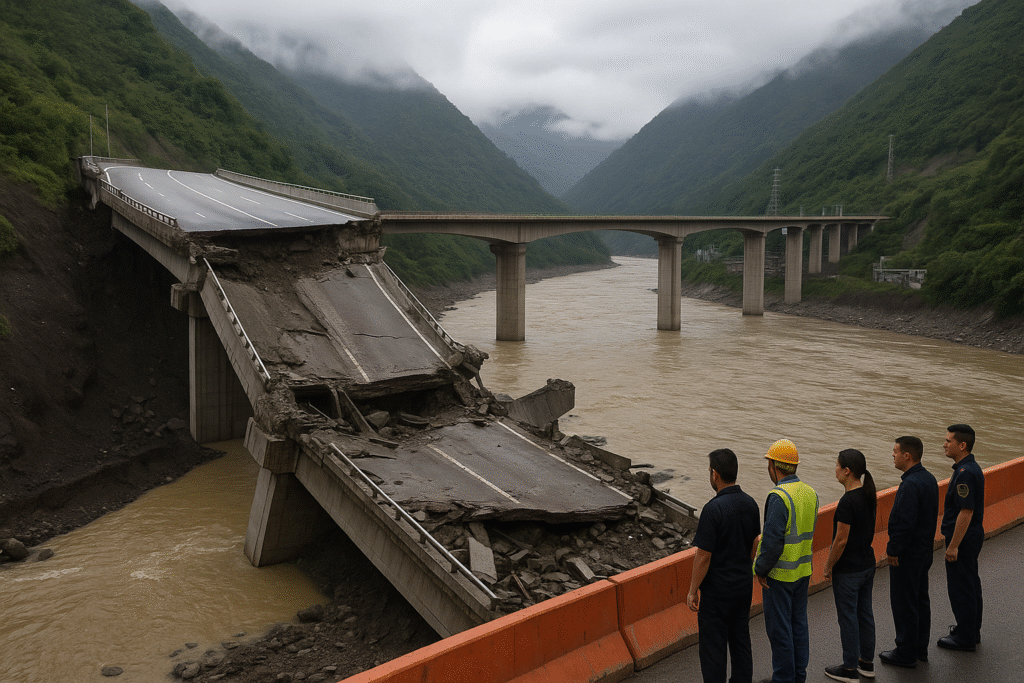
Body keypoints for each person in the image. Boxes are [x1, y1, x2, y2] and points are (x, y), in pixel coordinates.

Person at [687, 448, 761, 683]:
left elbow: (704, 556)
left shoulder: (712, 509)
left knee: (713, 647)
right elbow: (754, 544)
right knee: (740, 640)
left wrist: (692, 590)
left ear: (715, 474)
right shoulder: (750, 504)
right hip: (742, 587)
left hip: (717, 592)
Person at [753, 439, 819, 683]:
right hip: (802, 571)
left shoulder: (778, 496)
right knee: (798, 625)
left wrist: (760, 569)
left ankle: (783, 679)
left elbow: (771, 543)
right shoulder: (810, 492)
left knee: (780, 631)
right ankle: (798, 676)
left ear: (773, 465)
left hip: (780, 576)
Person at [880, 435, 939, 668]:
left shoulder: (910, 485)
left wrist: (894, 550)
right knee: (920, 599)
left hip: (909, 554)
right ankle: (920, 648)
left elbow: (905, 523)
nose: (892, 455)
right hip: (924, 551)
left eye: (895, 451)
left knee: (904, 603)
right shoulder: (929, 479)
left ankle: (905, 651)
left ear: (907, 455)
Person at [822, 449, 878, 683]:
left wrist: (827, 566)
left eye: (837, 465)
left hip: (849, 570)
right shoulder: (868, 495)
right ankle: (866, 663)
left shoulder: (847, 502)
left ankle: (848, 669)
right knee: (864, 614)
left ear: (847, 471)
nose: (834, 469)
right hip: (867, 563)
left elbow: (841, 540)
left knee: (848, 618)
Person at [938, 423, 985, 651]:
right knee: (970, 584)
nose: (944, 444)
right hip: (972, 537)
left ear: (962, 445)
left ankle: (965, 637)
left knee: (961, 588)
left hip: (963, 539)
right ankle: (970, 630)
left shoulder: (965, 474)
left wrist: (953, 546)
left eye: (949, 441)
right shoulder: (970, 468)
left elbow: (966, 512)